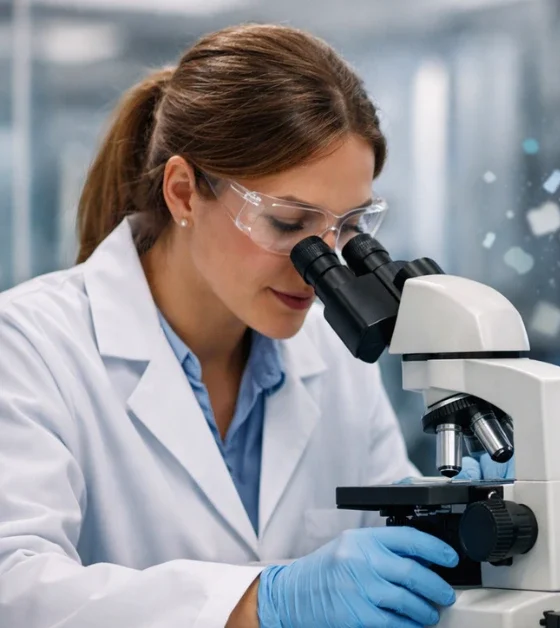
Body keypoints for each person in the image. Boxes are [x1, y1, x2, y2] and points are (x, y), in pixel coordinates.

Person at [0, 24, 507, 628]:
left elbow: (381, 550)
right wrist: (263, 601)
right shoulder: (29, 345)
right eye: (288, 224)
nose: (320, 267)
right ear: (183, 193)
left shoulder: (330, 354)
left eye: (348, 229)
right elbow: (15, 587)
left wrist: (454, 521)